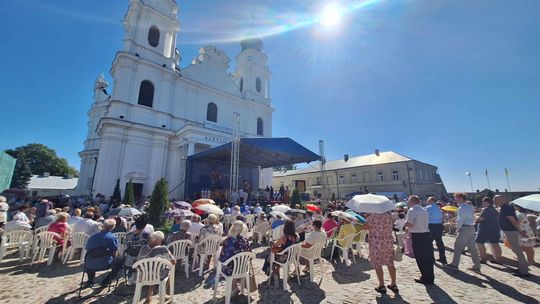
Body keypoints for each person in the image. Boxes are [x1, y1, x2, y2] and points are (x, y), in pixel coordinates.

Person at [136, 231, 176, 304]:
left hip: (143, 275)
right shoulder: (164, 249)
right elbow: (173, 260)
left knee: (152, 270)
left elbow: (137, 262)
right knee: (168, 271)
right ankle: (163, 293)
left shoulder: (143, 248)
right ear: (159, 241)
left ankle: (149, 296)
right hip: (159, 275)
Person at [495, 195, 529, 276]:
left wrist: (520, 231)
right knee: (516, 250)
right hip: (510, 231)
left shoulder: (506, 208)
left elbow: (513, 221)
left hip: (511, 231)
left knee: (517, 250)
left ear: (501, 200)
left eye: (496, 199)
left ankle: (524, 271)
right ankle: (522, 268)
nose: (494, 201)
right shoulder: (505, 208)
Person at [364, 212, 398, 294]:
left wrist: (367, 218)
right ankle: (393, 284)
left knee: (377, 263)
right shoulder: (389, 216)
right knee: (390, 263)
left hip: (376, 242)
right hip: (387, 241)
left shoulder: (372, 217)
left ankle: (382, 285)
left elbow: (364, 227)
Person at [447, 193, 481, 272]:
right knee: (472, 248)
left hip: (465, 228)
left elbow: (460, 220)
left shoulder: (462, 208)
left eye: (456, 198)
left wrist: (457, 229)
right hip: (471, 227)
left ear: (461, 198)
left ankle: (454, 264)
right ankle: (477, 265)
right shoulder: (470, 207)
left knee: (458, 246)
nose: (455, 199)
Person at [404, 195, 434, 285]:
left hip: (418, 236)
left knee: (421, 258)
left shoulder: (412, 210)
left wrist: (405, 223)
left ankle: (425, 277)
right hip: (426, 234)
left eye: (409, 201)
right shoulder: (423, 210)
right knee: (428, 257)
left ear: (412, 202)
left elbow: (409, 224)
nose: (408, 203)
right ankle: (430, 276)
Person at [84, 219, 121, 288]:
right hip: (105, 264)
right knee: (120, 260)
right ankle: (107, 281)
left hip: (90, 264)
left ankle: (90, 280)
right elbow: (114, 253)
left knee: (91, 256)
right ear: (113, 227)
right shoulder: (112, 237)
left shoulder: (92, 236)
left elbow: (87, 249)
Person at [218, 221, 251, 294]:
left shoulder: (229, 240)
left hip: (232, 269)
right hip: (243, 267)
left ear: (232, 228)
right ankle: (235, 286)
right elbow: (249, 253)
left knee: (226, 264)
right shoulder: (245, 240)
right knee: (234, 263)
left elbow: (223, 257)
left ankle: (234, 288)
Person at [475, 197, 502, 264]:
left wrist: (476, 218)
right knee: (495, 243)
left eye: (483, 201)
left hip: (485, 229)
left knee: (479, 242)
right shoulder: (495, 210)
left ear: (487, 202)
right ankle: (498, 259)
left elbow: (481, 219)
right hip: (495, 228)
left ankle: (483, 258)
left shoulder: (486, 209)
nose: (482, 203)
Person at [426, 197, 447, 265]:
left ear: (431, 201)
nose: (427, 201)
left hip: (431, 225)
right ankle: (443, 258)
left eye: (428, 200)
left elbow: (425, 217)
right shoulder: (439, 208)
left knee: (429, 243)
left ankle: (431, 258)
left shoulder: (428, 208)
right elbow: (442, 217)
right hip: (439, 225)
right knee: (439, 242)